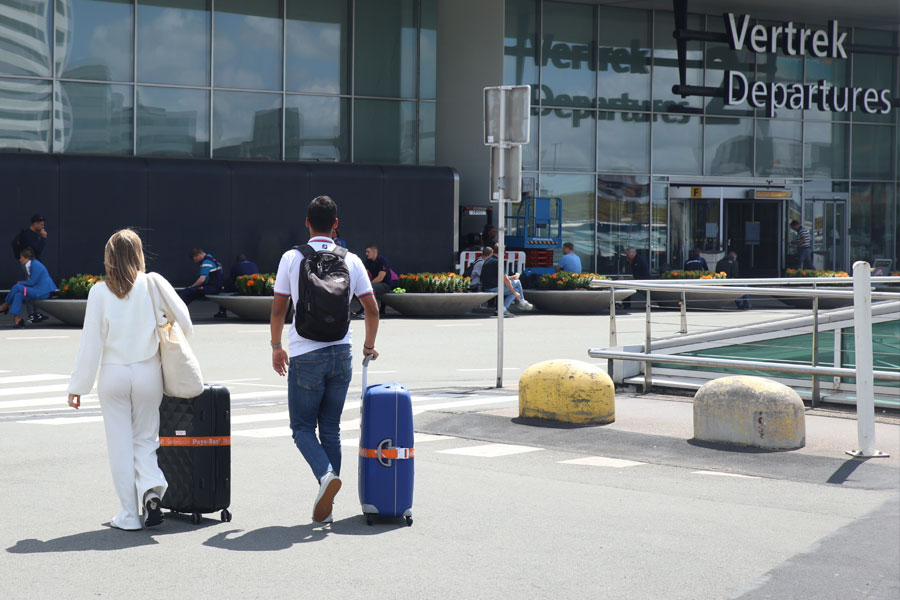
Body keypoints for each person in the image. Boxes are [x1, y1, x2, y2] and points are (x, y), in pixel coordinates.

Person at [67, 229, 192, 530]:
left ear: (109, 257)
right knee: (146, 439)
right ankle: (151, 490)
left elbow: (90, 344)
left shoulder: (99, 291)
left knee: (119, 445)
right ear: (139, 254)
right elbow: (186, 323)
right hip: (148, 371)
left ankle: (128, 514)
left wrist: (78, 386)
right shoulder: (153, 283)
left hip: (113, 373)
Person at [269, 195, 380, 524]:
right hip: (341, 352)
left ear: (307, 223)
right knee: (330, 427)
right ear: (335, 225)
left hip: (305, 353)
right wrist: (368, 346)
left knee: (302, 427)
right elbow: (372, 309)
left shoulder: (292, 258)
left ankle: (326, 476)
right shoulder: (352, 260)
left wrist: (276, 346)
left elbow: (278, 309)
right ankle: (327, 506)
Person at [0, 247, 57, 328]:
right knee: (18, 294)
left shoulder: (35, 265)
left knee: (17, 287)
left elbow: (31, 282)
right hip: (36, 291)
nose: (20, 260)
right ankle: (18, 320)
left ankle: (5, 306)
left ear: (27, 257)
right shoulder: (31, 264)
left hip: (42, 292)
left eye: (21, 257)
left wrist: (21, 282)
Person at [11, 214, 49, 323]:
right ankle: (32, 314)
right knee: (29, 287)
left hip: (32, 264)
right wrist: (43, 238)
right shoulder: (28, 235)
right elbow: (37, 250)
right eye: (41, 224)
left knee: (33, 287)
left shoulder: (31, 234)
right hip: (29, 265)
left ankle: (35, 313)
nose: (42, 226)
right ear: (35, 224)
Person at [481, 249, 533, 316]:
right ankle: (522, 301)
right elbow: (505, 280)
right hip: (494, 288)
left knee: (516, 290)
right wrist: (514, 292)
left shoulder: (488, 260)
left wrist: (511, 278)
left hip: (487, 286)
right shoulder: (498, 262)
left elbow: (497, 277)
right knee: (517, 282)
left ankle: (504, 308)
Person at [180, 248, 228, 318]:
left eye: (195, 259)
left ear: (198, 255)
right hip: (219, 286)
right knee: (193, 292)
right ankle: (222, 312)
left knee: (187, 292)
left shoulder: (206, 262)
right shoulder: (212, 259)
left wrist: (191, 287)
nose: (195, 262)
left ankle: (178, 311)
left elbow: (202, 280)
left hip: (212, 287)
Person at [363, 244, 398, 316]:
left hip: (386, 285)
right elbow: (364, 274)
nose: (366, 254)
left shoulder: (383, 261)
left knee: (370, 288)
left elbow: (380, 278)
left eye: (368, 252)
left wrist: (368, 285)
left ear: (374, 252)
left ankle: (371, 312)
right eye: (366, 252)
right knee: (362, 288)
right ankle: (365, 310)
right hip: (376, 284)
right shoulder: (368, 261)